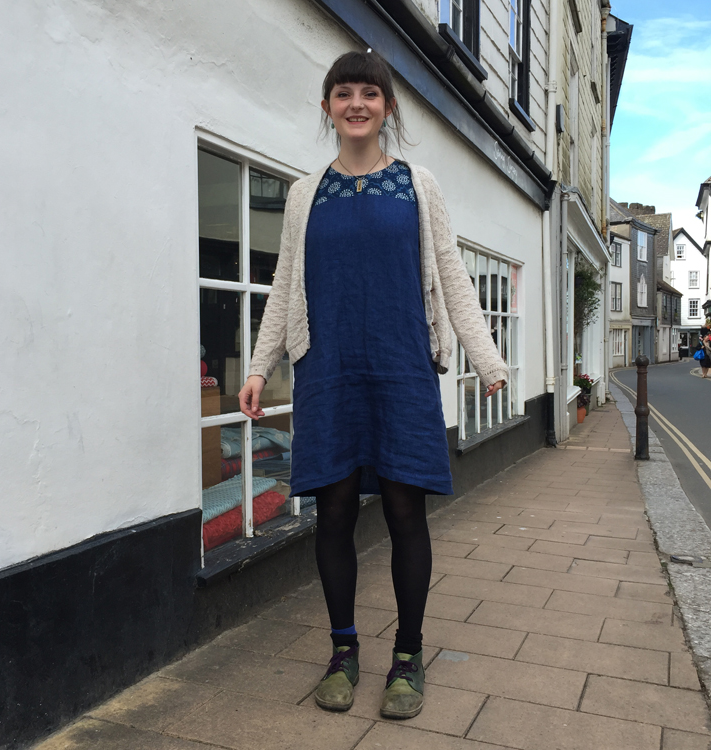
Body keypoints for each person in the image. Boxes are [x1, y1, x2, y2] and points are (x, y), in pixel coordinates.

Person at [238, 50, 507, 720]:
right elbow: (282, 287)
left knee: (404, 510)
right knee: (330, 512)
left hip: (400, 368)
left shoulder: (418, 184)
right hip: (326, 371)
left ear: (387, 106)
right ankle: (343, 650)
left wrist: (488, 359)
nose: (356, 103)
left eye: (369, 93)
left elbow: (450, 274)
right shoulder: (305, 195)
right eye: (342, 93)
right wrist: (256, 365)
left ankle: (408, 658)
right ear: (327, 105)